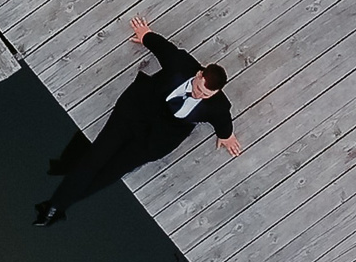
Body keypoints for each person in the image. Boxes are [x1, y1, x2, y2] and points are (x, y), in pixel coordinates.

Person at [35, 16, 242, 226]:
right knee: (94, 158)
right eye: (199, 89)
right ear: (198, 74)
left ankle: (60, 204)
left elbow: (222, 120)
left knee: (110, 174)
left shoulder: (217, 105)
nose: (199, 95)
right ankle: (54, 208)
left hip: (155, 140)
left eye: (206, 95)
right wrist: (145, 35)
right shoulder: (179, 65)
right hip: (134, 113)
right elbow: (162, 47)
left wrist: (227, 136)